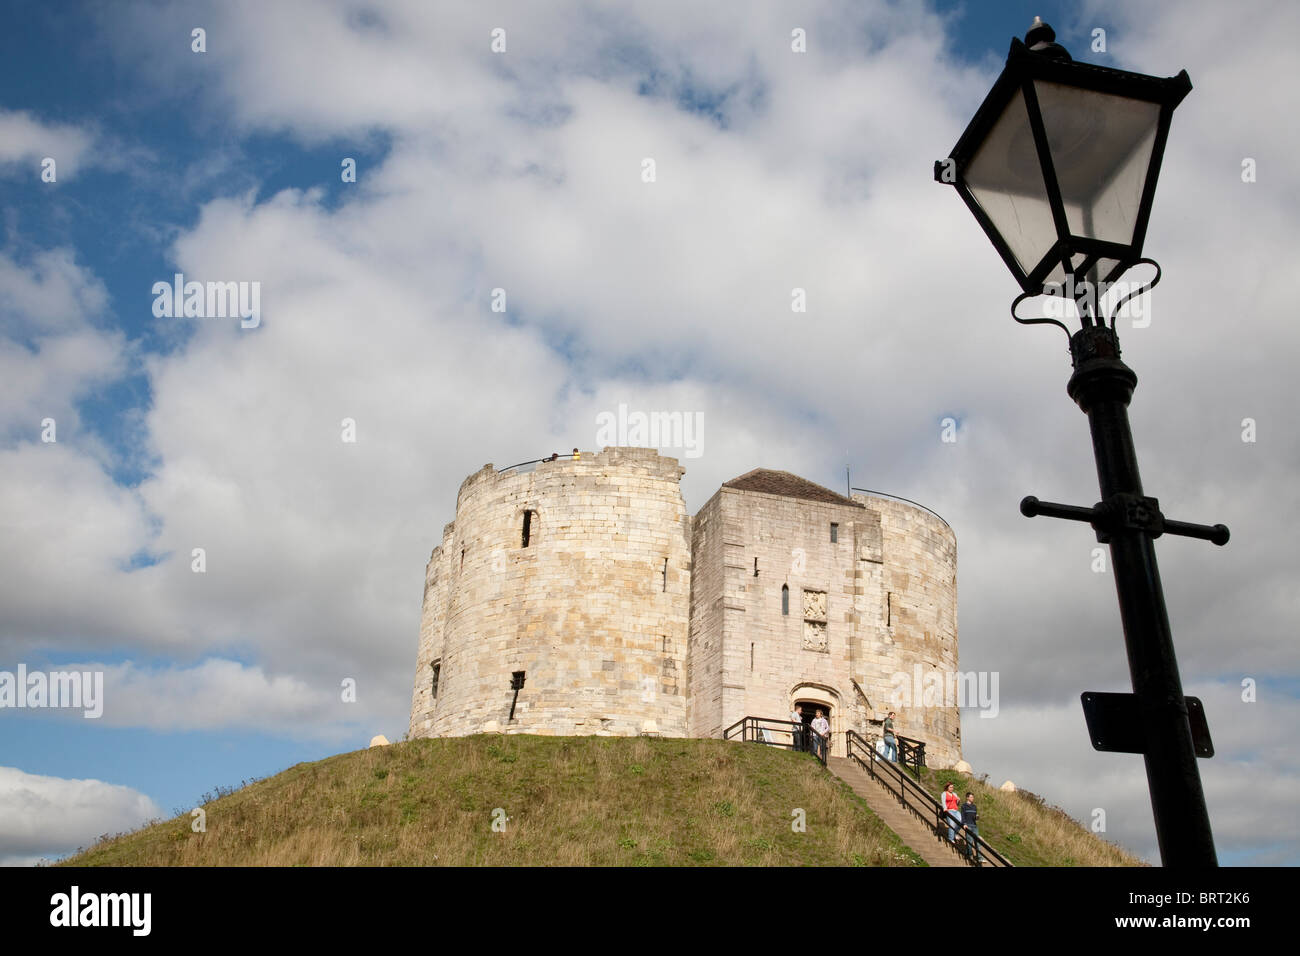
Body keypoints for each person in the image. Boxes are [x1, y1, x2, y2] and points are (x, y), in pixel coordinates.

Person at [961, 792, 981, 862]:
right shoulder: (964, 806)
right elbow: (963, 816)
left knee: (977, 842)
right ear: (967, 798)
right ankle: (970, 855)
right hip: (968, 825)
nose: (973, 798)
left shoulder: (974, 806)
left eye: (973, 797)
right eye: (971, 797)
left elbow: (975, 817)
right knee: (970, 841)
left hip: (974, 826)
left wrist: (977, 817)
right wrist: (964, 824)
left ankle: (979, 857)